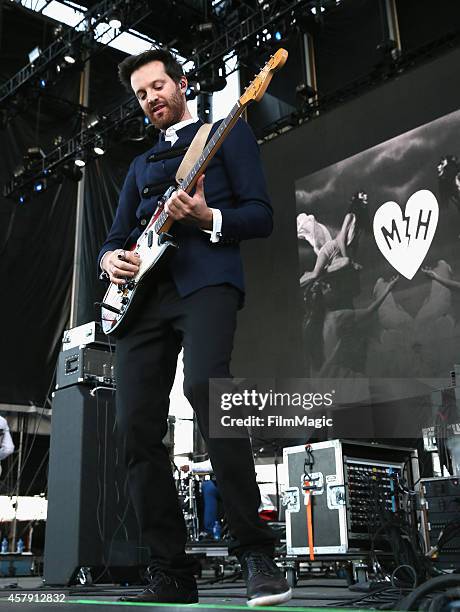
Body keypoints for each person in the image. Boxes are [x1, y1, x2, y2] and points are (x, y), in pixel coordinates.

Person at [98, 49, 291, 606]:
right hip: (142, 300)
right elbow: (113, 239)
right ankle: (170, 572)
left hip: (206, 278)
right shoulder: (138, 167)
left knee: (207, 389)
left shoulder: (225, 136)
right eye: (141, 95)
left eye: (158, 86)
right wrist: (111, 260)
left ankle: (256, 552)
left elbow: (261, 215)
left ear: (181, 84)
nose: (152, 98)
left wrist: (208, 217)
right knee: (135, 427)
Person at [299, 191, 370, 287]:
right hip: (331, 249)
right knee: (315, 274)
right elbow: (341, 240)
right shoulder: (350, 216)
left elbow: (354, 248)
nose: (365, 198)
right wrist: (347, 259)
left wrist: (353, 264)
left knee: (348, 265)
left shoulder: (360, 226)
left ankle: (321, 272)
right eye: (362, 197)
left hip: (337, 256)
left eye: (366, 198)